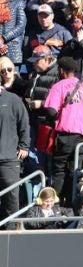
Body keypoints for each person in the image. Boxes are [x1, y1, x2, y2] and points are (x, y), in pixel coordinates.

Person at [42, 56, 83, 202]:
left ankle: (55, 204)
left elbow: (50, 111)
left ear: (61, 70)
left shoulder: (59, 86)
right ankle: (71, 204)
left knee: (59, 171)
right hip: (82, 138)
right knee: (74, 171)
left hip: (65, 136)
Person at [0, 79, 29, 218]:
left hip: (9, 158)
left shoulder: (13, 99)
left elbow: (24, 123)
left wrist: (24, 146)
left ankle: (11, 228)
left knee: (11, 197)